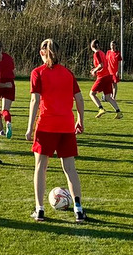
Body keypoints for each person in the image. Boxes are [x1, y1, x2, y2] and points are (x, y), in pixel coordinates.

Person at [25, 39, 87, 223]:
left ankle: (40, 209)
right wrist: (80, 120)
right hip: (66, 126)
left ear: (42, 52)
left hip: (46, 126)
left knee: (40, 168)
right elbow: (80, 99)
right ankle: (78, 210)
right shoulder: (68, 73)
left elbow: (35, 101)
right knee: (70, 169)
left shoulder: (37, 72)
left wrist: (29, 128)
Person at [88, 40, 122, 118]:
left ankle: (101, 109)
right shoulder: (102, 53)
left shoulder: (96, 54)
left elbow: (101, 65)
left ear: (92, 46)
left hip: (102, 77)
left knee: (92, 94)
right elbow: (104, 64)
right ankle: (118, 112)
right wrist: (95, 69)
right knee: (108, 97)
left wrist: (95, 71)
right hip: (108, 76)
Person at [0, 36, 17, 138]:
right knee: (5, 109)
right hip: (9, 83)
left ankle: (0, 129)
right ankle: (8, 123)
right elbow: (13, 71)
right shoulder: (9, 57)